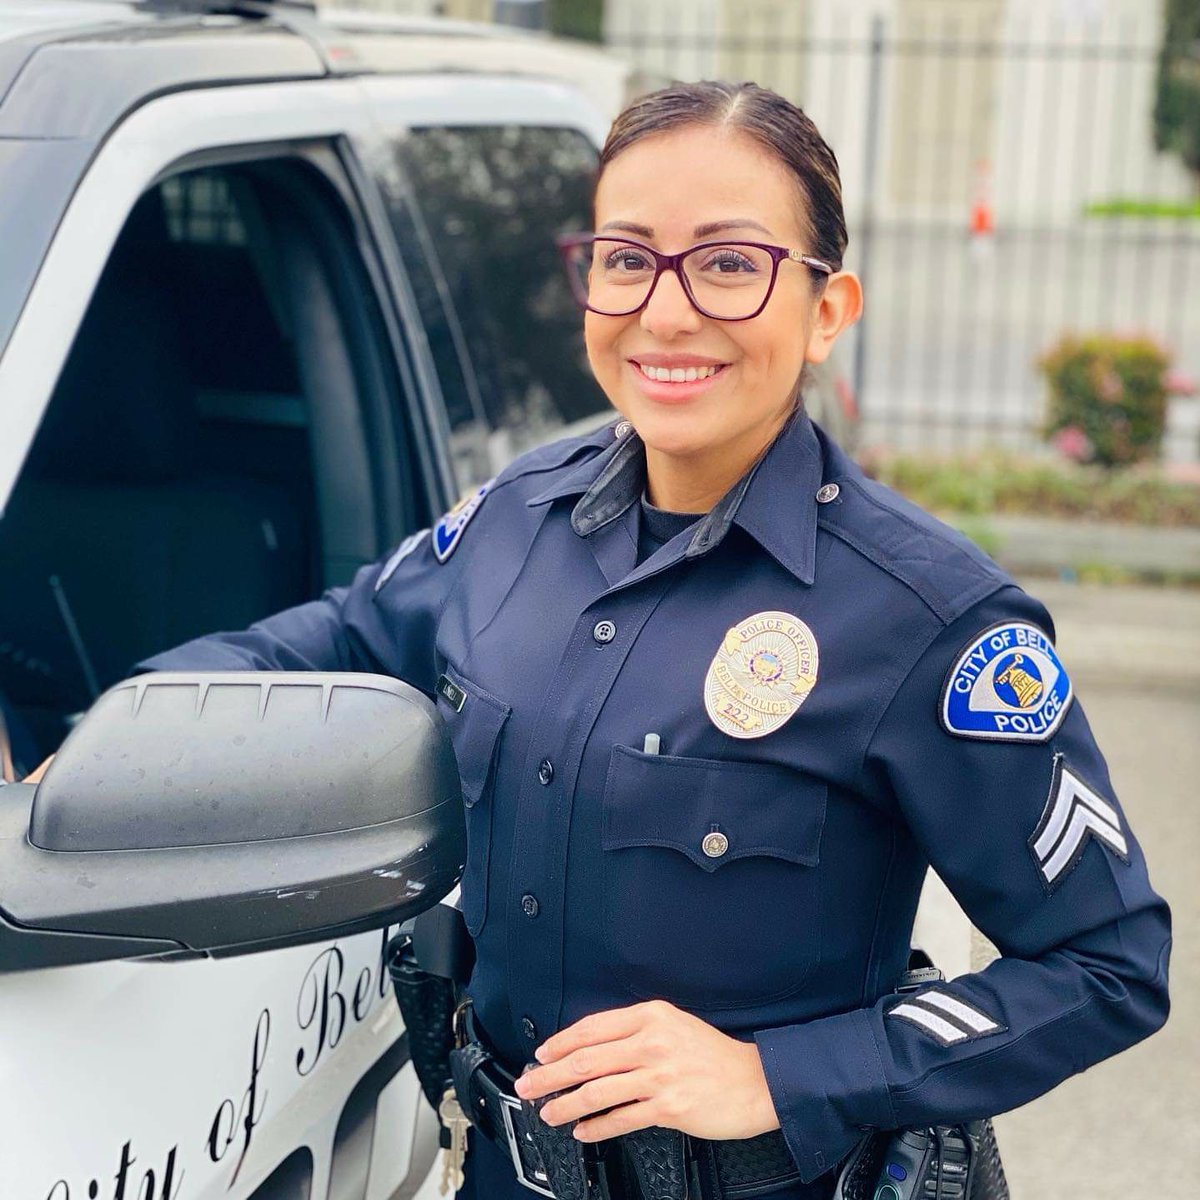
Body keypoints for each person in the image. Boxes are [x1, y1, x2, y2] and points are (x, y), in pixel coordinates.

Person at [29, 81, 1170, 1198]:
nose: (664, 312)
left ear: (827, 309)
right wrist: (99, 743)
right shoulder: (515, 519)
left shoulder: (929, 621)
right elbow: (330, 641)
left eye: (729, 263)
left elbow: (1105, 967)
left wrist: (777, 1075)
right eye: (627, 258)